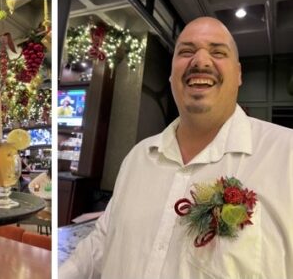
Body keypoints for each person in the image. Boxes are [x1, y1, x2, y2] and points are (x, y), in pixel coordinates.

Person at [59, 17, 293, 279]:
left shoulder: (287, 155)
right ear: (171, 74)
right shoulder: (138, 157)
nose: (201, 61)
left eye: (217, 52)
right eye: (186, 51)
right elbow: (100, 245)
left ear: (238, 74)